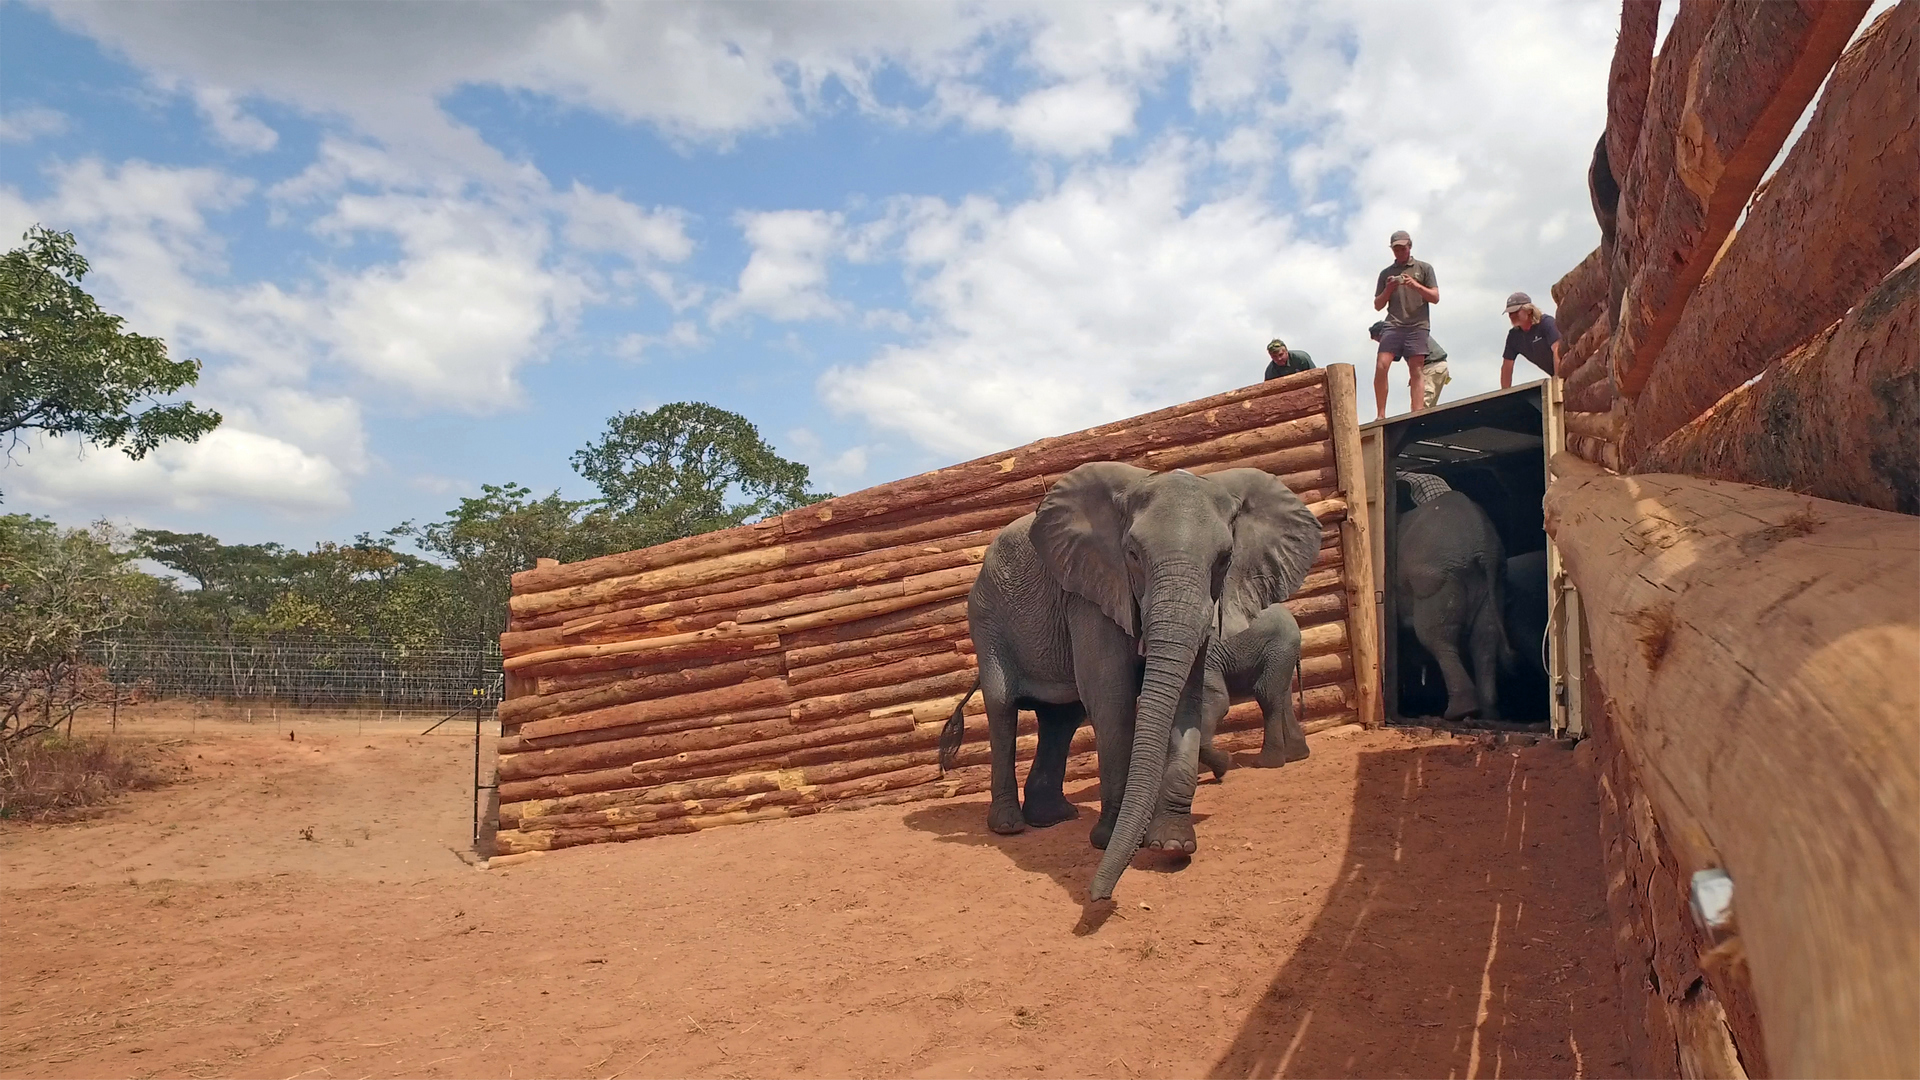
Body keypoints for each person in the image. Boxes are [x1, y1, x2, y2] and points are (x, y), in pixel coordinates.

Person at [1372, 229, 1440, 420]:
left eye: (1403, 247)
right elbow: (1377, 305)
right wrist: (1388, 289)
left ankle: (1416, 412)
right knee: (1381, 365)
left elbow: (1435, 297)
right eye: (1396, 249)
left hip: (1418, 324)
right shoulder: (1386, 273)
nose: (1400, 252)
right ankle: (1381, 414)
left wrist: (1415, 285)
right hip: (1393, 324)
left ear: (1410, 246)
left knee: (1416, 368)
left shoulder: (1424, 268)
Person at [1371, 320, 1450, 408]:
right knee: (1424, 407)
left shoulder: (1399, 334)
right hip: (1434, 367)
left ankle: (1419, 422)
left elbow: (1390, 356)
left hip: (1432, 366)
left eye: (1379, 340)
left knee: (1420, 406)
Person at [1500, 291, 1561, 388]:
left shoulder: (1546, 323)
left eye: (1516, 312)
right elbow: (1507, 366)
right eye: (1510, 313)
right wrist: (1504, 395)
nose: (1511, 316)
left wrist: (1558, 382)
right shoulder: (1514, 337)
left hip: (1570, 369)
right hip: (1554, 374)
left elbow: (1558, 351)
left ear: (1529, 310)